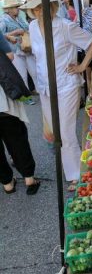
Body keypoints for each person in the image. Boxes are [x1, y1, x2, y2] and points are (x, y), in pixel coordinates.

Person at [24, 0, 92, 190]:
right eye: (36, 8)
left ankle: (75, 174)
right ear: (32, 11)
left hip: (66, 85)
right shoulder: (32, 27)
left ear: (53, 8)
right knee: (57, 132)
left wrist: (82, 66)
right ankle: (71, 165)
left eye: (45, 7)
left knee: (65, 130)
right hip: (45, 86)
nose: (41, 11)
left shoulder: (65, 26)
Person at [0, 34, 40, 195]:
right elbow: (9, 56)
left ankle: (7, 183)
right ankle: (29, 179)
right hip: (4, 101)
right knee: (16, 139)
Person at [0, 0, 36, 105]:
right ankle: (26, 97)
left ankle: (38, 91)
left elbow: (26, 28)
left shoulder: (19, 17)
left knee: (35, 71)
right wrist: (14, 33)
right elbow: (1, 35)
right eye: (15, 7)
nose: (18, 9)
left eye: (17, 7)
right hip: (15, 51)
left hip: (26, 48)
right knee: (22, 75)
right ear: (8, 9)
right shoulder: (3, 19)